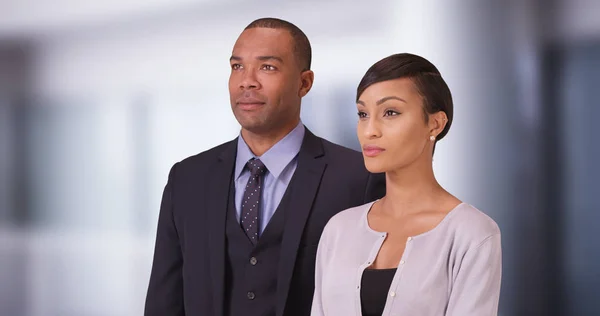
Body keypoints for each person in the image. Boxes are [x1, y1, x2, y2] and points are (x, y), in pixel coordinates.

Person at [144, 17, 385, 316]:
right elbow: (163, 303)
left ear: (304, 82)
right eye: (237, 67)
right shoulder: (187, 179)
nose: (247, 81)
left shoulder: (358, 178)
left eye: (267, 67)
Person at [311, 53, 502, 316]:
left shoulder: (472, 234)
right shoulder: (338, 230)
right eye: (363, 114)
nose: (369, 130)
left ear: (435, 123)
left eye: (390, 112)